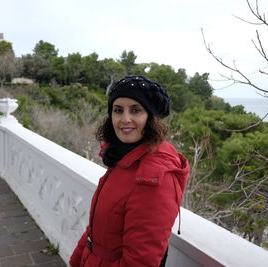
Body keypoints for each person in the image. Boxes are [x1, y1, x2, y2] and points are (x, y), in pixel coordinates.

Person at [69, 75, 190, 267]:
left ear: (151, 118)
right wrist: (76, 260)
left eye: (136, 110)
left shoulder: (153, 178)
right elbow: (97, 229)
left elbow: (140, 261)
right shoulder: (123, 158)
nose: (125, 119)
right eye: (118, 110)